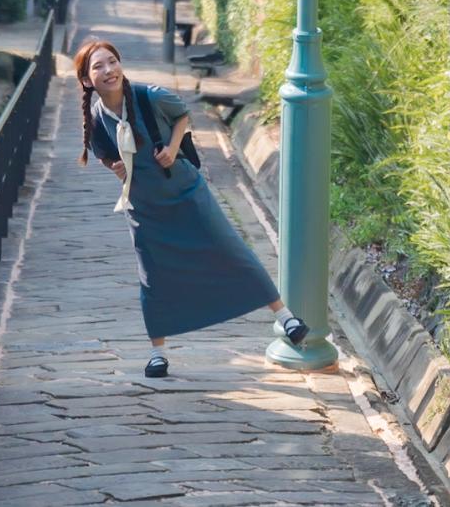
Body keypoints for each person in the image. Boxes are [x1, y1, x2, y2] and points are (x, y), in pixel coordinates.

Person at [74, 37, 309, 378]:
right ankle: (158, 353)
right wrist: (116, 168)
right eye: (98, 66)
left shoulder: (149, 95)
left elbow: (183, 114)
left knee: (231, 248)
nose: (109, 70)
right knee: (153, 278)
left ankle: (286, 319)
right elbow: (103, 153)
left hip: (185, 191)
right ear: (86, 80)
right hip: (144, 207)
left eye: (112, 61)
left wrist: (171, 147)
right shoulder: (96, 118)